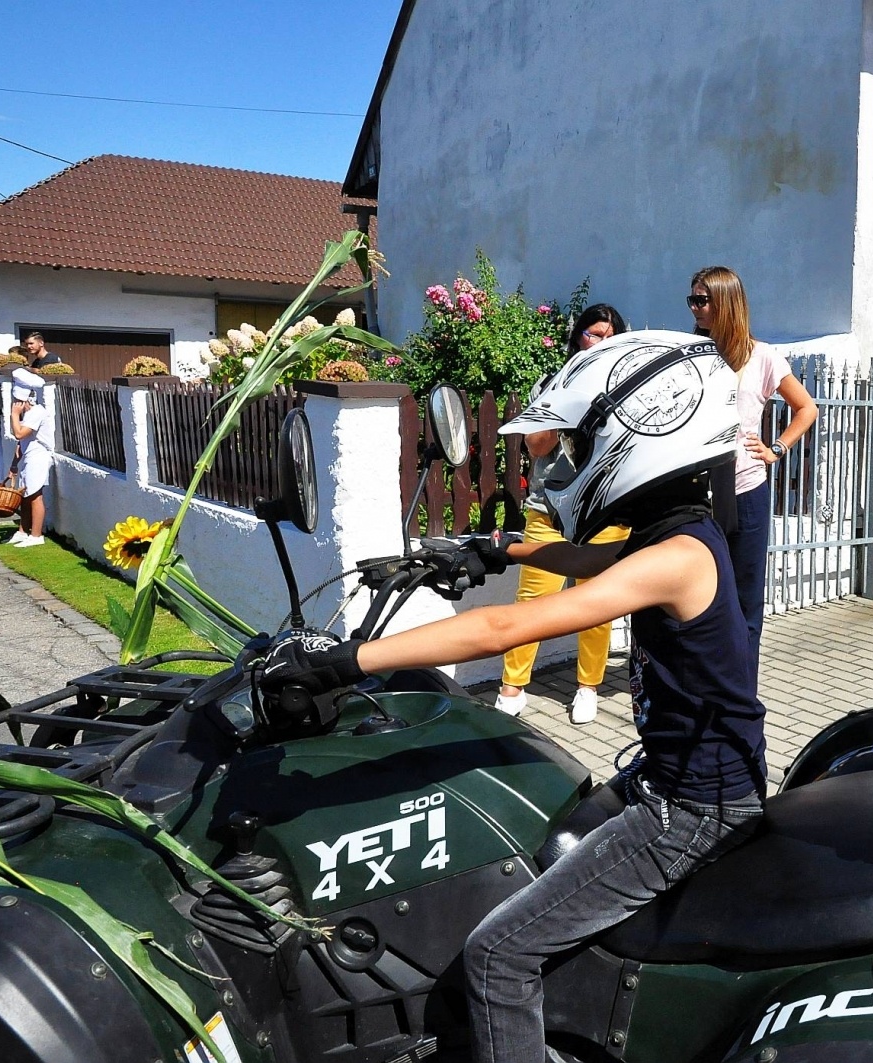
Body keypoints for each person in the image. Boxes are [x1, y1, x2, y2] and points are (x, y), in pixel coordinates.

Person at [259, 330, 766, 1063]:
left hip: (690, 810)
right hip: (684, 781)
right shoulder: (679, 534)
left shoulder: (678, 557)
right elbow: (587, 555)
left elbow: (505, 626)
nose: (568, 457)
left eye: (583, 439)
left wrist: (347, 662)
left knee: (497, 956)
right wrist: (495, 548)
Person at [496, 303, 631, 723]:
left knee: (597, 604)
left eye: (610, 336)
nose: (601, 343)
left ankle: (588, 686)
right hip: (551, 511)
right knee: (533, 602)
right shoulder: (553, 382)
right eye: (593, 334)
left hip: (605, 512)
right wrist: (565, 400)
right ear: (578, 337)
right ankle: (511, 687)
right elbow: (536, 447)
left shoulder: (629, 386)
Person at [687, 266, 816, 673]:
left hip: (745, 492)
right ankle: (706, 678)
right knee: (698, 593)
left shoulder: (763, 357)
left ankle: (742, 685)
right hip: (694, 493)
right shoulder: (691, 352)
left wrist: (776, 447)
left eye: (701, 300)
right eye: (691, 300)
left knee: (745, 599)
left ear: (726, 302)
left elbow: (806, 408)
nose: (694, 308)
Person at [7, 368, 52, 548]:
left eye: (18, 401)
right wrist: (14, 464)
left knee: (35, 495)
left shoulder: (37, 412)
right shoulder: (28, 414)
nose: (16, 404)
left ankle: (36, 535)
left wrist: (14, 415)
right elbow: (20, 439)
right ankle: (22, 531)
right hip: (28, 455)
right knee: (25, 495)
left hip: (38, 456)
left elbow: (19, 434)